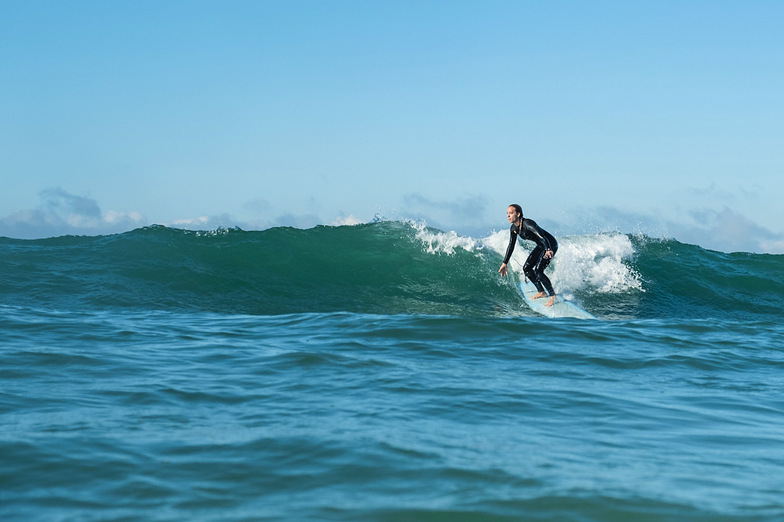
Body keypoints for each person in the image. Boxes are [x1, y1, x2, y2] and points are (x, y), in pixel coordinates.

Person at [498, 204, 558, 307]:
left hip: (550, 244)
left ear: (518, 214)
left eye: (511, 213)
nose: (508, 216)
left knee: (539, 271)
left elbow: (542, 236)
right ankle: (541, 292)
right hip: (541, 246)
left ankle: (553, 296)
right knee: (527, 268)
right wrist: (505, 263)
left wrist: (548, 249)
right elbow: (511, 245)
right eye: (507, 213)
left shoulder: (528, 224)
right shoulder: (513, 228)